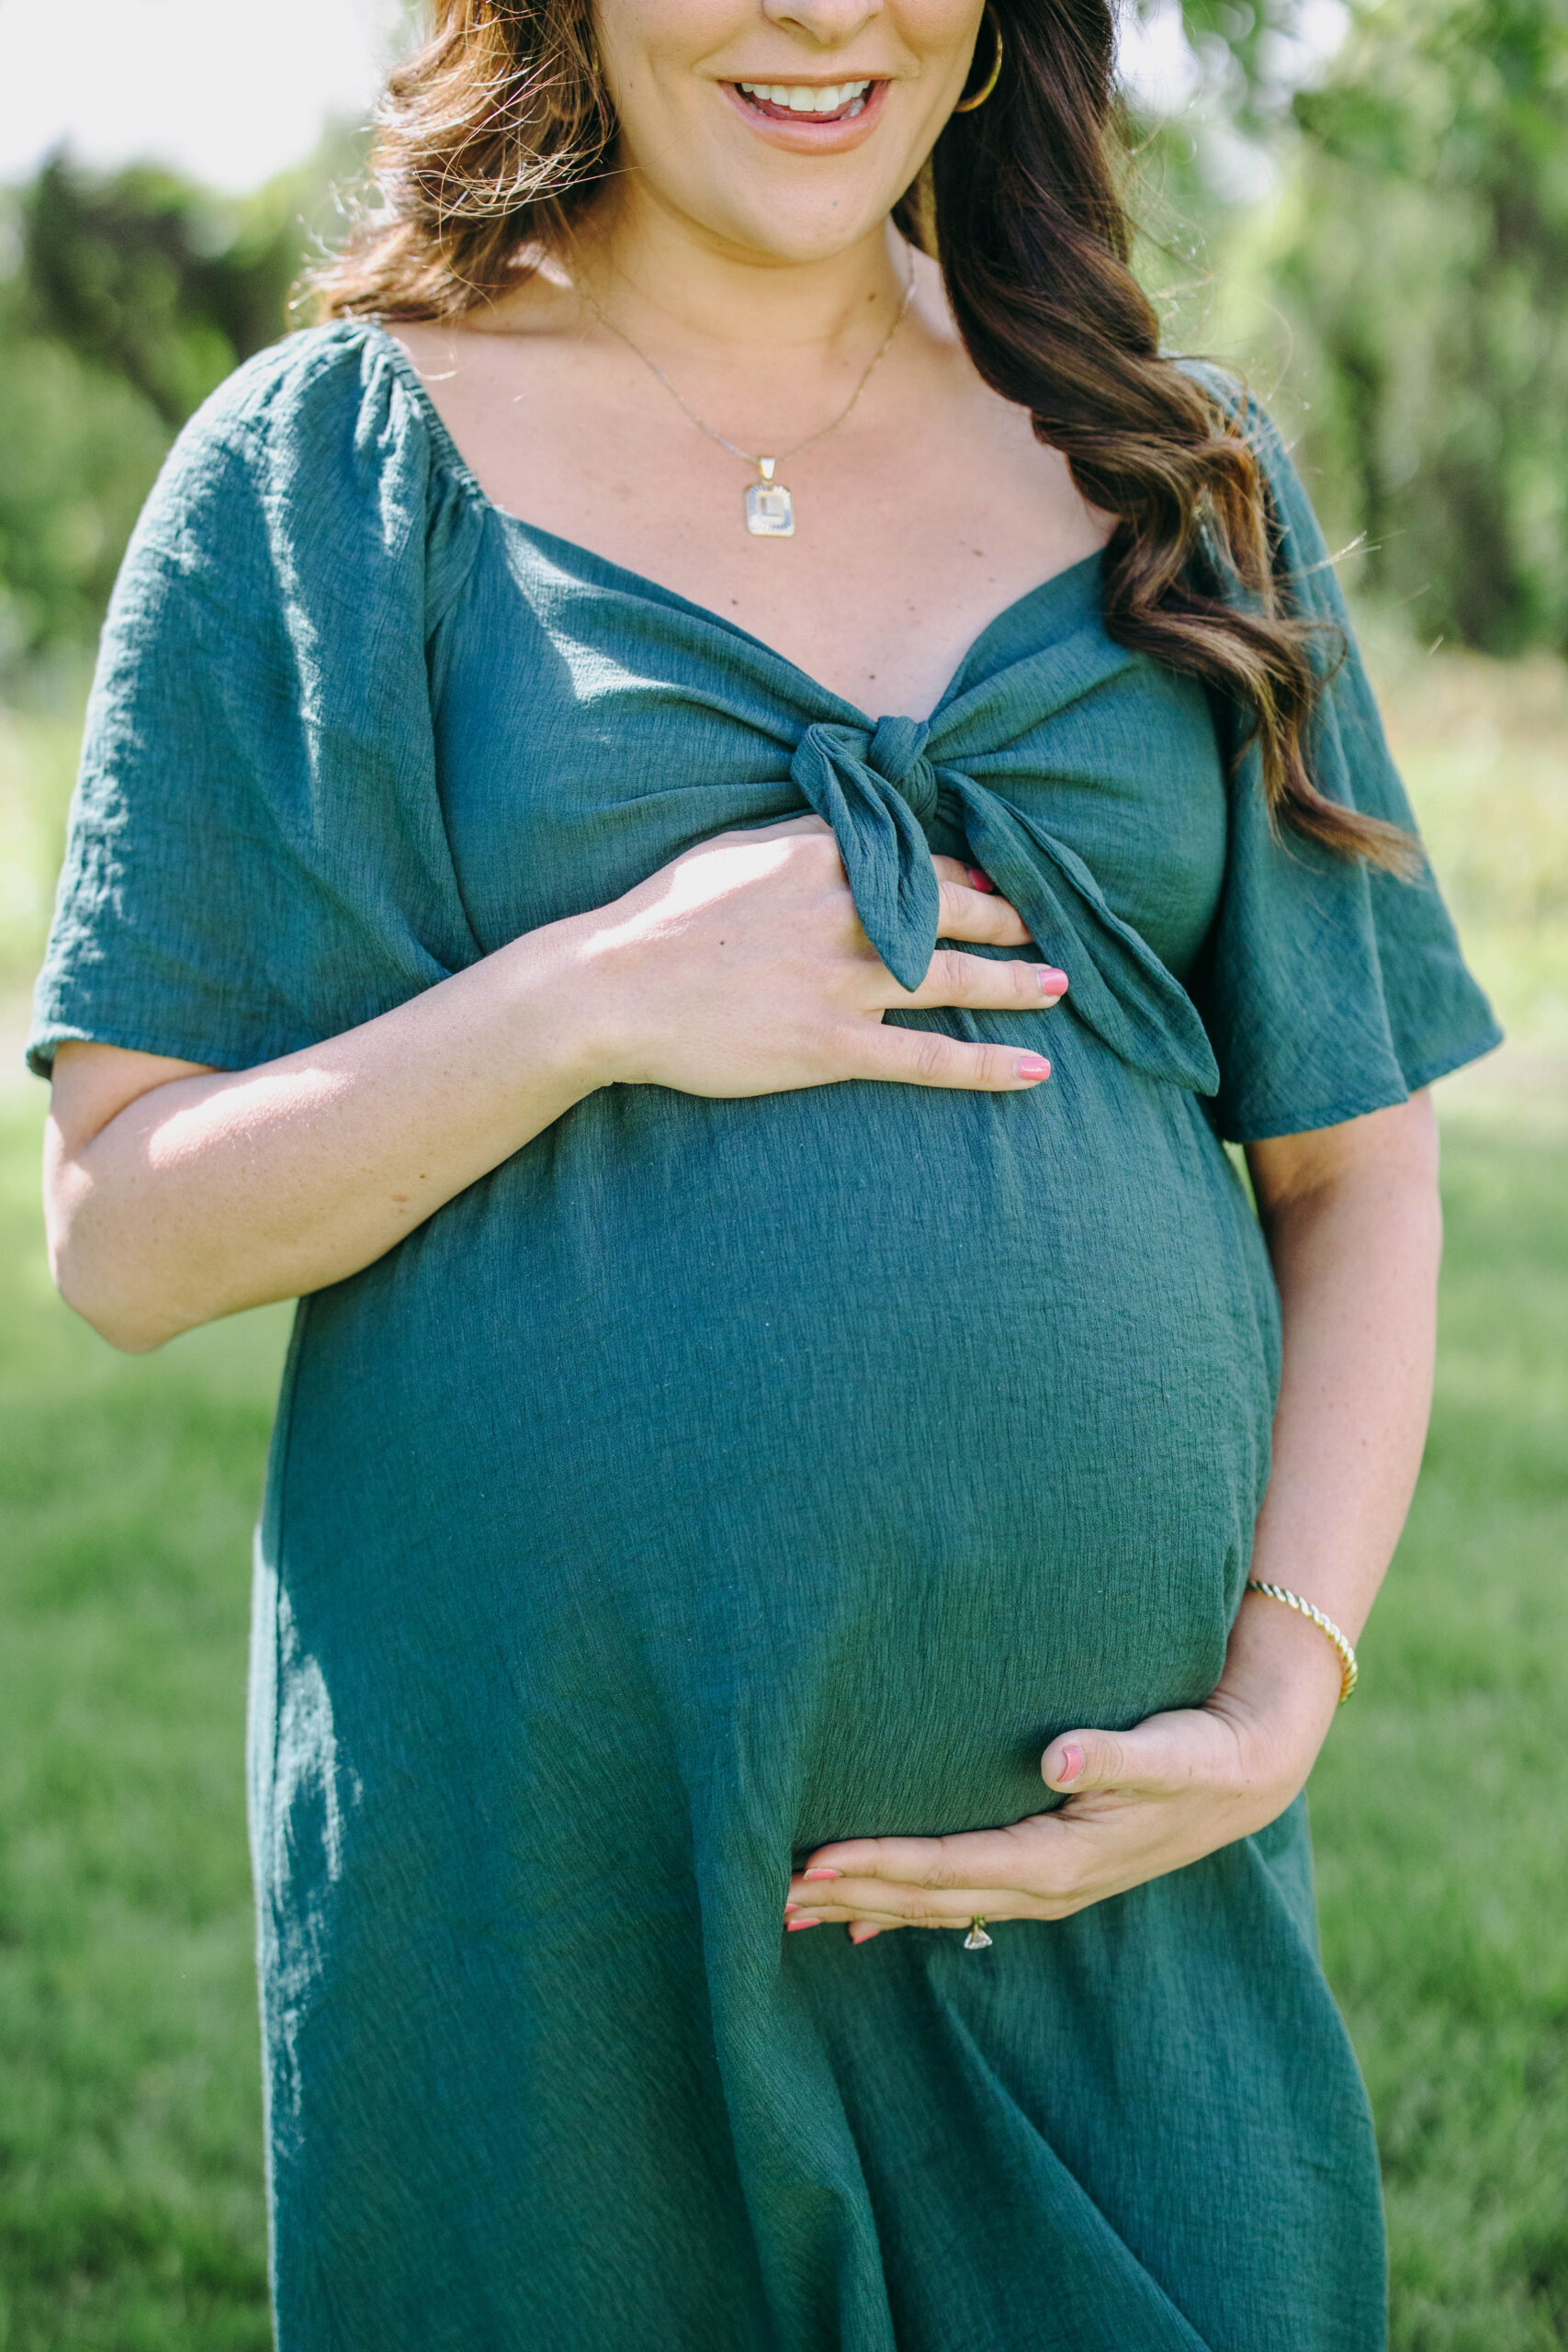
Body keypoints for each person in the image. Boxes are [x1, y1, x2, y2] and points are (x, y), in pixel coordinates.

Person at [30, 0, 1501, 2343]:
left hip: (1104, 1896)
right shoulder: (326, 474)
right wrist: (590, 993)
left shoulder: (1167, 472)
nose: (827, 12)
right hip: (545, 1905)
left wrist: (1278, 1693)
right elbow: (119, 1224)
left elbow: (1357, 1167)